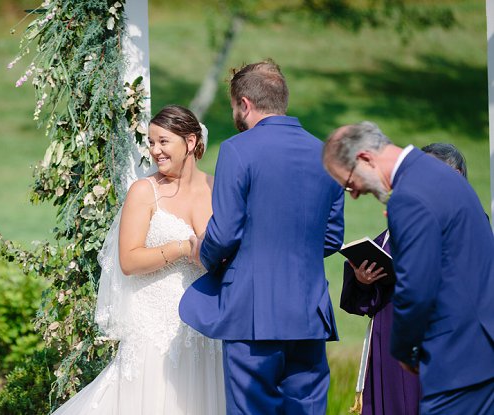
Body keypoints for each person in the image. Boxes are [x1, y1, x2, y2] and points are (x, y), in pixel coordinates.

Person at [180, 60, 345, 414]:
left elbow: (224, 233)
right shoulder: (327, 155)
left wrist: (202, 253)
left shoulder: (238, 149)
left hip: (251, 312)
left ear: (245, 104)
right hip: (309, 312)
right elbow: (331, 237)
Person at [51, 105, 225, 414]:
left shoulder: (217, 188)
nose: (155, 151)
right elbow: (128, 261)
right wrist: (183, 248)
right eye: (152, 142)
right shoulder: (144, 191)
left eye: (163, 141)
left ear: (190, 142)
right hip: (155, 325)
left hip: (203, 325)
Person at [323, 122, 494, 414]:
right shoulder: (440, 179)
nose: (353, 194)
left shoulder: (409, 195)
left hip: (452, 359)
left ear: (365, 158)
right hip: (478, 351)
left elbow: (417, 285)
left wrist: (403, 350)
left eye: (349, 183)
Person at [340, 143, 468, 415]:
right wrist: (363, 279)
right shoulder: (402, 225)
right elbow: (369, 272)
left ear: (454, 176)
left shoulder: (468, 224)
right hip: (391, 346)